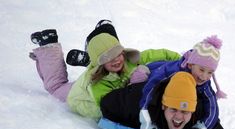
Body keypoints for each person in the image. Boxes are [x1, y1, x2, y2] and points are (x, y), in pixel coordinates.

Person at [29, 22, 181, 120]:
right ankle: (49, 47)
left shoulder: (130, 59)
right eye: (108, 58)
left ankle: (93, 56)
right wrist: (132, 85)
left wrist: (182, 60)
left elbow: (160, 53)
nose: (116, 60)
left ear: (123, 52)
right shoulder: (97, 86)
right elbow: (110, 105)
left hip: (99, 71)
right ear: (100, 64)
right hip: (79, 95)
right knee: (55, 86)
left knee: (108, 59)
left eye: (118, 54)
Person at [100, 72, 224, 129]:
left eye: (185, 111)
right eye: (173, 109)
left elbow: (215, 128)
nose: (179, 117)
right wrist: (133, 122)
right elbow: (107, 104)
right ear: (164, 106)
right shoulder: (139, 101)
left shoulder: (199, 109)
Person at [132, 35, 227, 129]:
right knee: (141, 78)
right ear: (190, 65)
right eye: (201, 70)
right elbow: (151, 87)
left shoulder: (204, 82)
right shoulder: (173, 71)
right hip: (153, 70)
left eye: (210, 72)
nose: (204, 76)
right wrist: (146, 117)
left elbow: (212, 105)